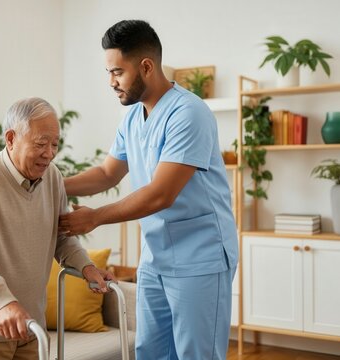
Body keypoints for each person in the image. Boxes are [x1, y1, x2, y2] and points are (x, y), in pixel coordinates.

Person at [59, 20, 238, 360]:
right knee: (150, 353)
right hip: (155, 259)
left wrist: (94, 218)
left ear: (146, 66)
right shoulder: (132, 118)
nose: (111, 82)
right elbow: (107, 173)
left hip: (200, 258)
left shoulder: (189, 114)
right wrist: (49, 183)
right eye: (108, 73)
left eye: (117, 72)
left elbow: (161, 194)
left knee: (196, 355)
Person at [0, 97, 114, 360]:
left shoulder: (52, 176)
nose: (49, 153)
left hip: (30, 322)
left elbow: (61, 237)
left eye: (54, 144)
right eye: (41, 143)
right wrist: (2, 302)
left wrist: (86, 267)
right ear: (10, 139)